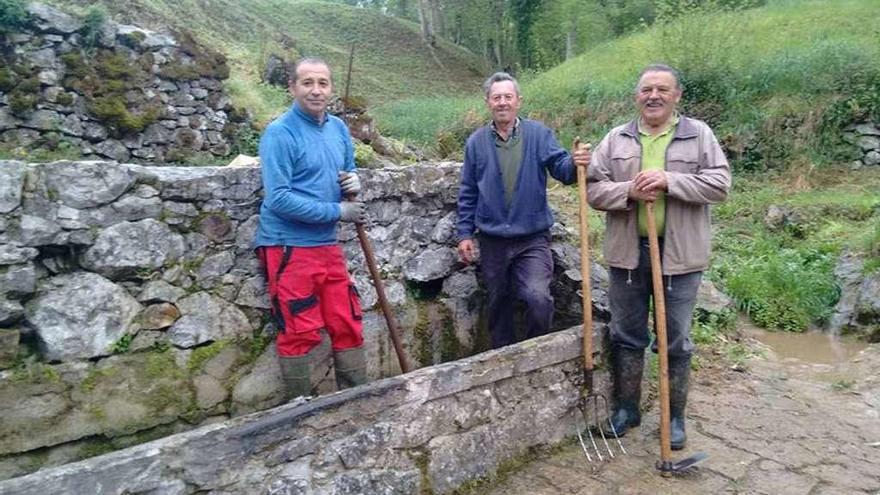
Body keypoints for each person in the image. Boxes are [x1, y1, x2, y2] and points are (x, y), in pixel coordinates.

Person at [588, 64, 731, 450]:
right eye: (646, 89)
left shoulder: (698, 135)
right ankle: (626, 410)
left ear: (677, 95)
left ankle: (674, 419)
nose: (654, 96)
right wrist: (628, 193)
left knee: (676, 341)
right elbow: (593, 190)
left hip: (680, 257)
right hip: (628, 255)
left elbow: (720, 185)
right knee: (626, 335)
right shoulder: (616, 139)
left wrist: (671, 181)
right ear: (637, 96)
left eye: (662, 89)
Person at [254, 58, 368, 400]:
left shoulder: (338, 130)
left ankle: (356, 402)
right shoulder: (280, 133)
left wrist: (354, 180)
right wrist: (339, 210)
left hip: (326, 244)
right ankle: (300, 411)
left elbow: (347, 172)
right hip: (288, 245)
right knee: (298, 327)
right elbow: (279, 199)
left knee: (346, 320)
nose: (316, 90)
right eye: (308, 83)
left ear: (331, 88)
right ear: (293, 88)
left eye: (323, 83)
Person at [456, 72, 591, 349]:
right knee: (498, 303)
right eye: (496, 98)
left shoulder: (539, 135)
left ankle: (533, 352)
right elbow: (468, 190)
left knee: (537, 298)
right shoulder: (476, 142)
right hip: (492, 240)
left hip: (532, 239)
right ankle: (501, 357)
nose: (502, 102)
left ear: (518, 101)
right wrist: (464, 234)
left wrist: (575, 162)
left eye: (508, 96)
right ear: (488, 102)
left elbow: (562, 169)